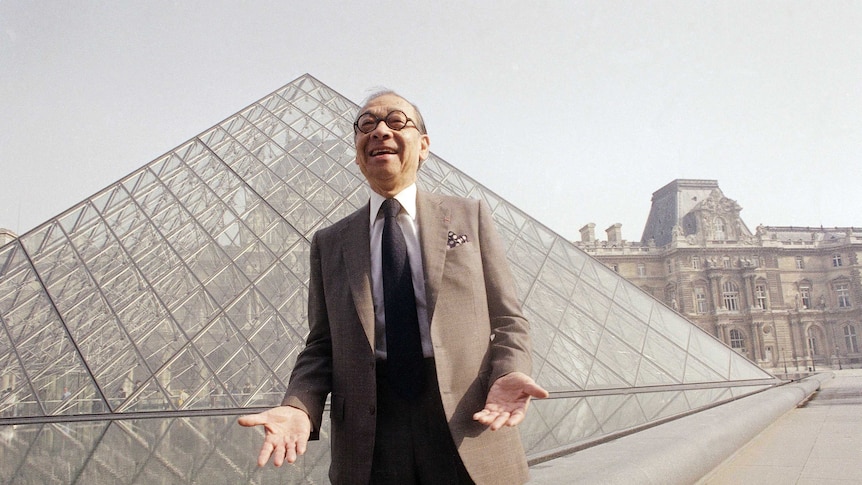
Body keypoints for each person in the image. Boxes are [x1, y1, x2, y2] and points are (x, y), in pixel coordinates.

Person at [238, 91, 548, 484]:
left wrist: (509, 371)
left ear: (424, 146)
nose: (380, 130)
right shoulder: (329, 242)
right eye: (366, 125)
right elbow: (321, 346)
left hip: (468, 417)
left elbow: (508, 319)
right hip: (371, 433)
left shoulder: (470, 216)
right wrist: (299, 407)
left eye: (397, 122)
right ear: (355, 152)